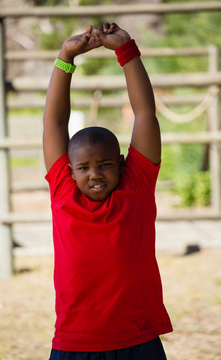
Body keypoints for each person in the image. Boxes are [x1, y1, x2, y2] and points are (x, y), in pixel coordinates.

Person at [43, 22, 173, 360]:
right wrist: (65, 58)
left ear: (121, 162)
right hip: (74, 343)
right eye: (83, 168)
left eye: (105, 164)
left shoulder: (137, 187)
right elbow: (54, 123)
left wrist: (126, 51)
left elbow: (145, 114)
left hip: (137, 339)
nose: (95, 174)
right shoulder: (63, 192)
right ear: (69, 171)